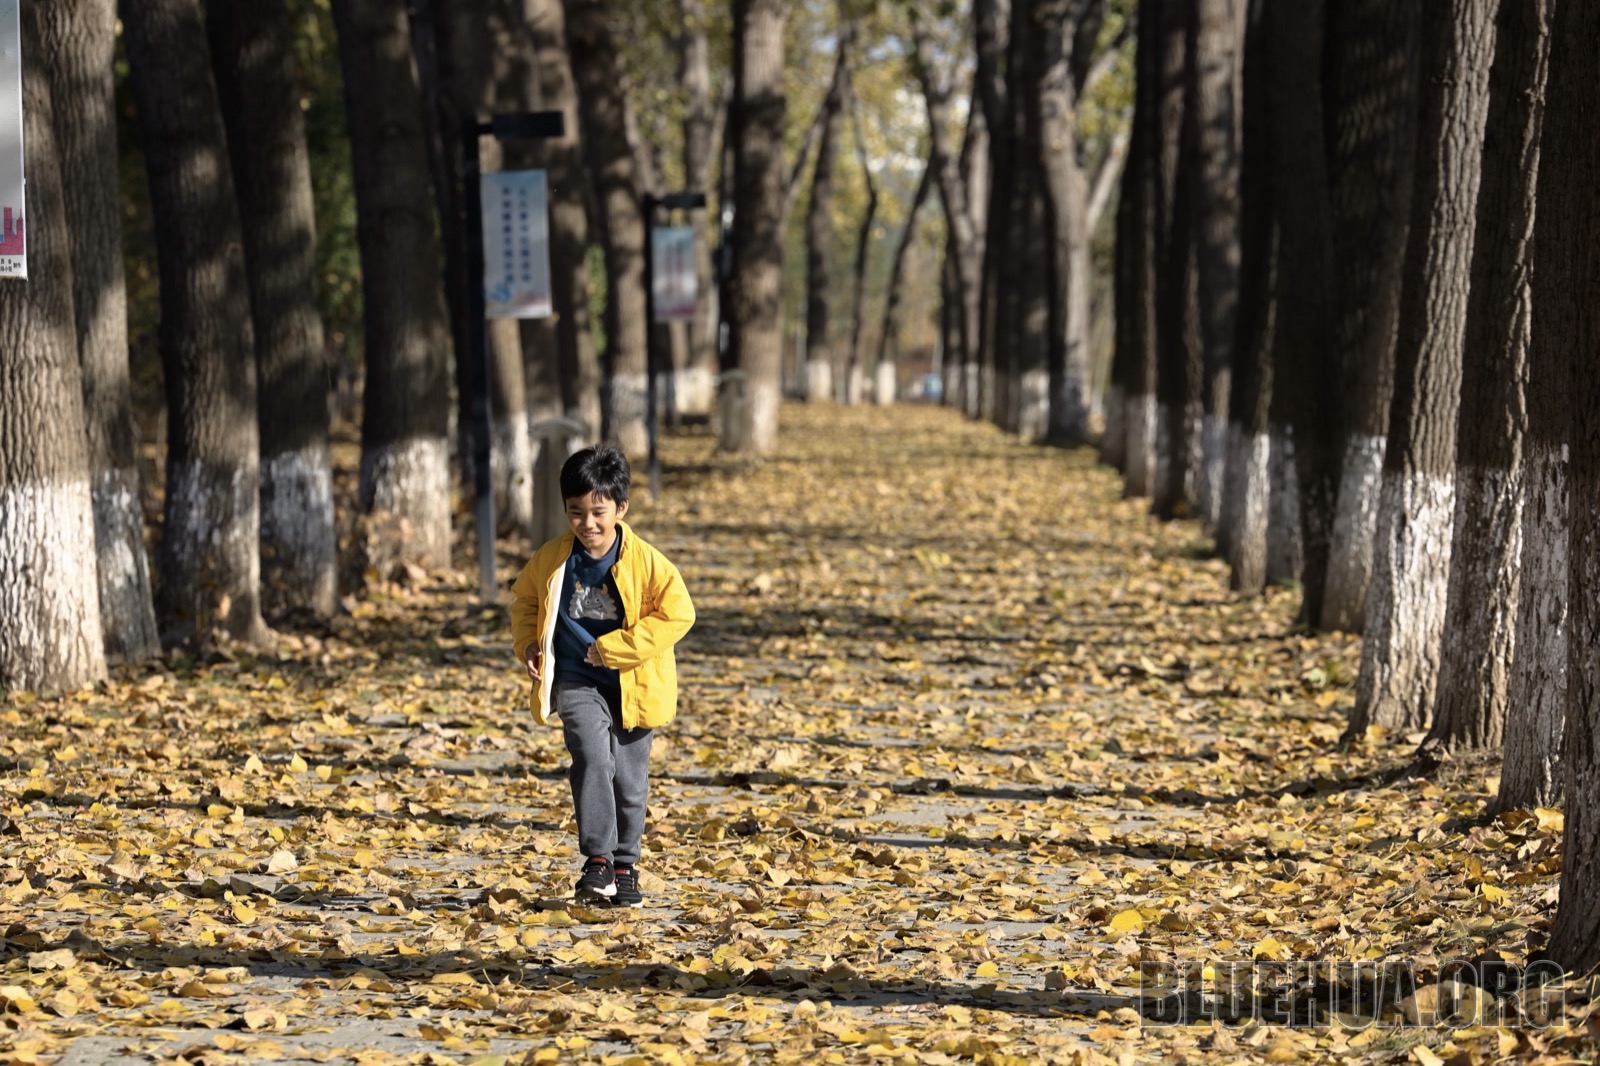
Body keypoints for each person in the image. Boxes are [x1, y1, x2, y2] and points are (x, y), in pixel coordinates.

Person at [510, 445, 695, 907]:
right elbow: (526, 601)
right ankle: (597, 861)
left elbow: (679, 615)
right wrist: (528, 645)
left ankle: (626, 863)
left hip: (634, 687)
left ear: (620, 508)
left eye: (598, 512)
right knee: (592, 757)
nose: (588, 524)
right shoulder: (552, 559)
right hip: (577, 679)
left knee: (630, 784)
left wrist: (614, 649)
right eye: (576, 513)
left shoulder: (647, 562)